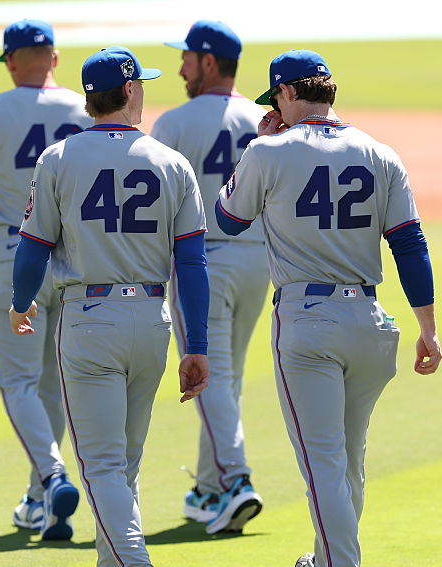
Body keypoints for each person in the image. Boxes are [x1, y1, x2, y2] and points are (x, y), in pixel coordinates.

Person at [216, 49, 441, 567]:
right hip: (371, 320)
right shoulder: (380, 153)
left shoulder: (267, 151)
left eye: (276, 98)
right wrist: (428, 327)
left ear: (289, 93)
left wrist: (258, 145)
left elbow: (229, 219)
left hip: (307, 321)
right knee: (347, 463)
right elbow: (410, 244)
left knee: (324, 464)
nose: (275, 109)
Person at [11, 46, 211, 567]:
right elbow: (192, 263)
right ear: (128, 91)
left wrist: (21, 302)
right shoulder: (171, 162)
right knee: (120, 469)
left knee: (101, 468)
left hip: (89, 317)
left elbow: (33, 248)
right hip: (152, 318)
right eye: (140, 84)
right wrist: (198, 344)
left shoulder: (58, 158)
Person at [0, 19, 92, 540]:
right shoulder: (85, 108)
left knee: (19, 382)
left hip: (16, 256)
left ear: (11, 60)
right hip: (74, 260)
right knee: (52, 384)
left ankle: (52, 478)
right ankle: (40, 500)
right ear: (54, 58)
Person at [150, 20, 267, 534]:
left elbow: (153, 203)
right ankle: (208, 486)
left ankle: (237, 480)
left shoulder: (175, 122)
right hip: (259, 262)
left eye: (187, 58)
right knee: (228, 376)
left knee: (208, 374)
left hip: (202, 266)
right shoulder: (264, 120)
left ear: (210, 62)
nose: (181, 68)